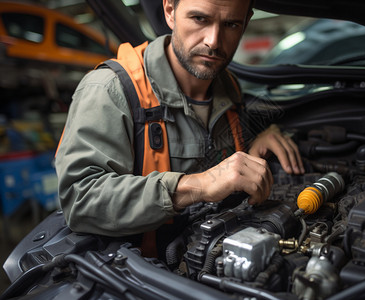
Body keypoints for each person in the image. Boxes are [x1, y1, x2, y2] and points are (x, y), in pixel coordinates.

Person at [55, 0, 304, 238]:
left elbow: (218, 157)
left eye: (231, 24)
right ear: (170, 11)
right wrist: (198, 185)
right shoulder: (110, 89)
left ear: (246, 22)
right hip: (143, 270)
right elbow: (81, 201)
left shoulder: (229, 88)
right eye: (199, 18)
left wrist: (255, 142)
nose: (214, 41)